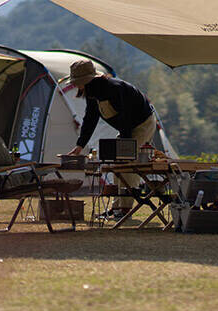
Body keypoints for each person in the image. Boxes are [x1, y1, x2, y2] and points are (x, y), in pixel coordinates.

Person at [65, 59, 156, 219]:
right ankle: (117, 207)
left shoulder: (114, 89)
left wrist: (126, 147)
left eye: (77, 82)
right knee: (118, 163)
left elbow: (126, 117)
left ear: (88, 80)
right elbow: (90, 119)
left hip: (142, 124)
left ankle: (125, 209)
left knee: (128, 164)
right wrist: (80, 145)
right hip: (127, 128)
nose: (76, 86)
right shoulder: (92, 95)